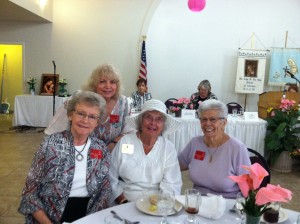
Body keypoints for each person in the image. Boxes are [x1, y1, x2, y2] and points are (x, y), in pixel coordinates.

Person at [18, 91, 111, 223]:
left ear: (97, 122)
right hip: (50, 214)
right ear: (70, 115)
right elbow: (29, 193)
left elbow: (105, 190)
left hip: (88, 213)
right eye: (81, 113)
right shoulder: (50, 144)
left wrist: (92, 220)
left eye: (92, 117)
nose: (85, 120)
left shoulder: (100, 148)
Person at [110, 99, 182, 203]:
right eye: (148, 117)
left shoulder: (168, 148)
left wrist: (160, 205)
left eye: (158, 119)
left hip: (156, 203)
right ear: (141, 120)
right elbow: (110, 175)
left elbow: (172, 184)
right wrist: (122, 200)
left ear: (163, 125)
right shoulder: (126, 141)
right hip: (125, 200)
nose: (153, 123)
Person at [45, 64, 129, 151]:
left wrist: (113, 144)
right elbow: (56, 129)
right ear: (94, 84)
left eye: (112, 82)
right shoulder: (78, 98)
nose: (108, 86)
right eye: (102, 81)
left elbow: (129, 132)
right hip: (76, 151)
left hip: (112, 151)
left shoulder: (124, 102)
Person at [178, 99, 251, 199]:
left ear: (224, 123)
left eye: (213, 119)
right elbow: (176, 166)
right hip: (198, 202)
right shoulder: (195, 143)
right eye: (203, 119)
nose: (207, 123)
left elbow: (248, 186)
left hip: (227, 203)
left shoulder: (237, 148)